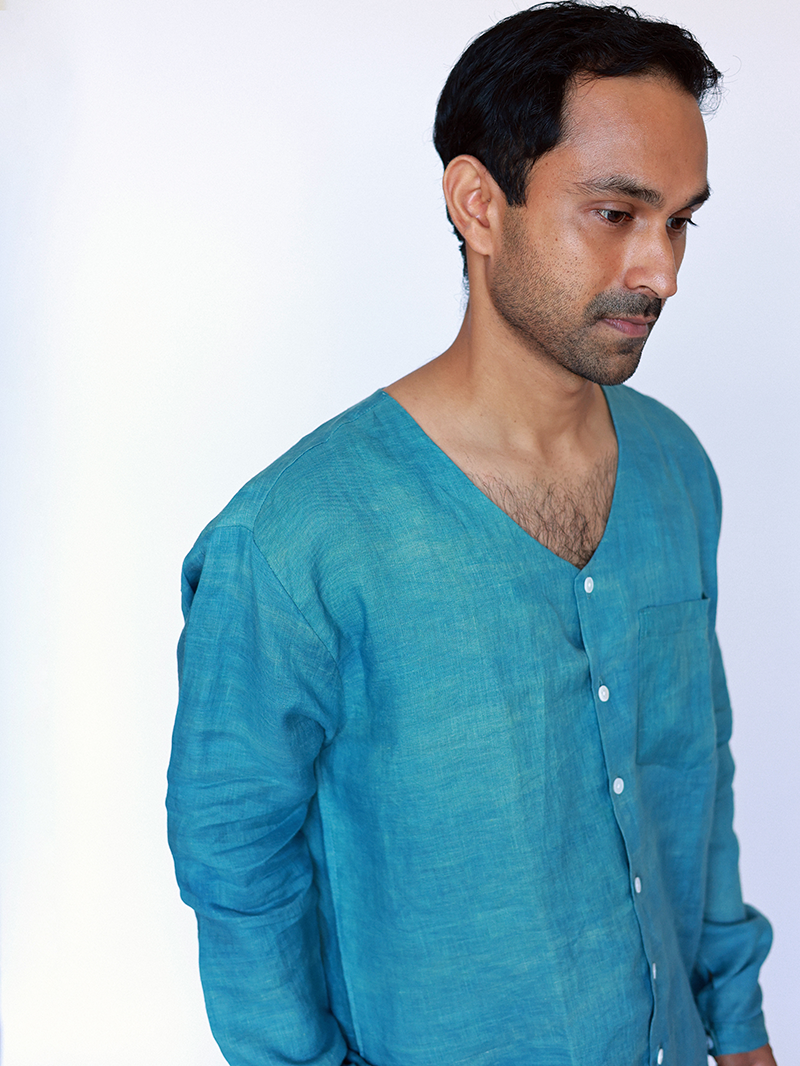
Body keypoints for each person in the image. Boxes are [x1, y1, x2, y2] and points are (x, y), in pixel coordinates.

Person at [166, 4, 776, 1064]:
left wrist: (736, 1021)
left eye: (679, 221)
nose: (662, 271)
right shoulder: (295, 542)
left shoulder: (675, 470)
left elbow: (694, 774)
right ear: (479, 204)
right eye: (615, 213)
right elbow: (236, 870)